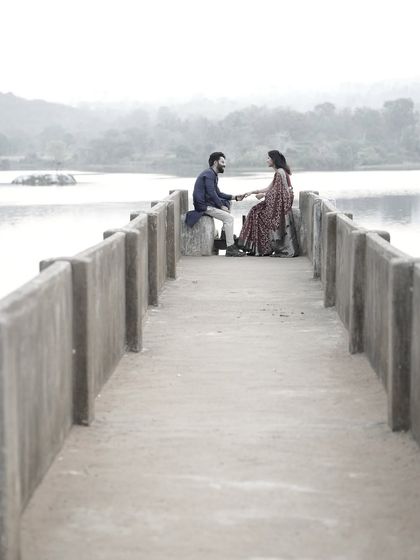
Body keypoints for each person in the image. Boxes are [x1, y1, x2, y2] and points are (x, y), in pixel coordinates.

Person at [238, 150, 299, 257]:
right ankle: (260, 248)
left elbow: (280, 192)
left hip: (280, 208)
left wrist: (264, 196)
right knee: (255, 210)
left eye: (268, 158)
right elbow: (270, 188)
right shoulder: (279, 172)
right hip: (278, 205)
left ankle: (263, 249)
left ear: (273, 160)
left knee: (256, 213)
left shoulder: (280, 172)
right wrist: (252, 192)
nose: (266, 160)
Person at [186, 152, 246, 257]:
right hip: (204, 206)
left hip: (208, 204)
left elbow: (218, 193)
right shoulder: (209, 174)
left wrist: (235, 197)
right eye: (222, 162)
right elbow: (211, 192)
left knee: (228, 202)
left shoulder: (212, 174)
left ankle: (224, 233)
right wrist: (221, 206)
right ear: (215, 162)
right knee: (229, 219)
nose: (224, 164)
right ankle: (230, 248)